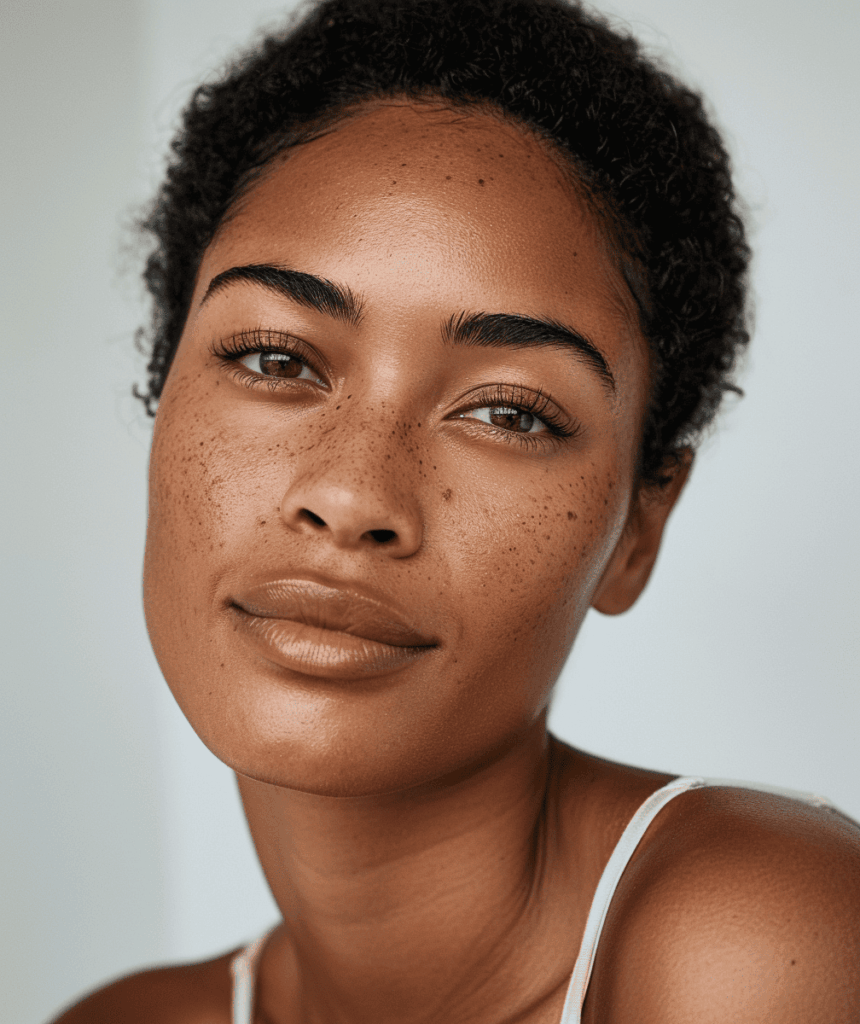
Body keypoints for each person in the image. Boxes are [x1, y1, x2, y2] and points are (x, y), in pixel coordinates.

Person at [51, 0, 860, 1021]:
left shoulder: (757, 944)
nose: (350, 497)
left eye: (508, 413)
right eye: (274, 359)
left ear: (638, 526)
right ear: (161, 391)